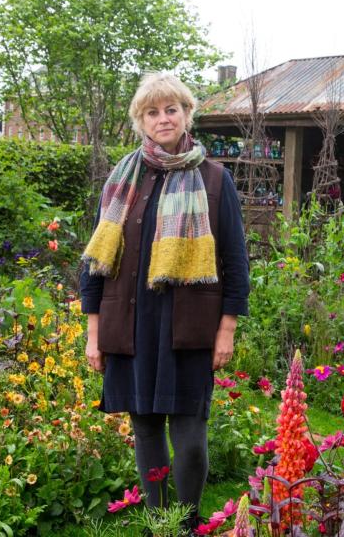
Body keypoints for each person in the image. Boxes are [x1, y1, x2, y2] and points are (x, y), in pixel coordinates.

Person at [80, 72, 250, 533]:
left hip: (188, 327)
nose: (163, 119)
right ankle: (160, 522)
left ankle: (188, 520)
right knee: (147, 430)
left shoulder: (216, 180)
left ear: (186, 114)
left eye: (171, 109)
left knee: (190, 436)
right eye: (152, 112)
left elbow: (235, 262)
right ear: (140, 120)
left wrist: (227, 329)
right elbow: (96, 262)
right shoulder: (121, 180)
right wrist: (94, 335)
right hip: (131, 324)